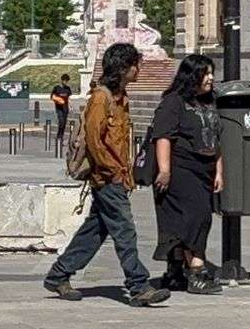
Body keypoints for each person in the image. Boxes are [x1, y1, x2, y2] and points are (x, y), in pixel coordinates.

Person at [43, 43, 169, 307]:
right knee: (125, 230)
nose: (139, 69)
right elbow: (94, 139)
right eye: (135, 64)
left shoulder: (121, 97)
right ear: (123, 68)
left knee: (94, 231)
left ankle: (59, 274)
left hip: (117, 175)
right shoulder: (101, 98)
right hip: (107, 177)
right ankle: (138, 285)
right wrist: (110, 171)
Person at [149, 54, 224, 295]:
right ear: (192, 76)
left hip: (205, 169)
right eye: (205, 73)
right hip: (181, 169)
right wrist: (164, 170)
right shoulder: (174, 102)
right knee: (197, 218)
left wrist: (219, 171)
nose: (210, 78)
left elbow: (216, 138)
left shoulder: (211, 102)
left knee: (187, 220)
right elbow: (163, 136)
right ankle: (196, 271)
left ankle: (175, 271)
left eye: (211, 73)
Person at [50, 73, 73, 141]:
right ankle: (59, 136)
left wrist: (71, 106)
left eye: (67, 81)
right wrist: (57, 99)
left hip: (65, 108)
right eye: (65, 81)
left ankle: (61, 136)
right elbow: (52, 96)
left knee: (64, 124)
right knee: (61, 122)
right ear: (62, 80)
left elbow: (69, 98)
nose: (66, 82)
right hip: (59, 108)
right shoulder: (56, 88)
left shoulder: (68, 88)